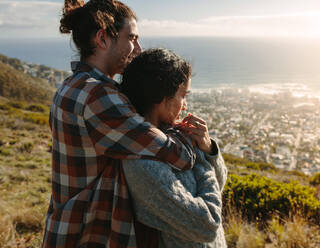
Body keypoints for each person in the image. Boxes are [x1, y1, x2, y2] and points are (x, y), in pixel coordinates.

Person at [42, 1, 196, 247]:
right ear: (102, 39)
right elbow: (177, 155)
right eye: (132, 38)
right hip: (91, 235)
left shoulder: (71, 86)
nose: (138, 48)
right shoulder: (98, 97)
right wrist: (191, 137)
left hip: (67, 227)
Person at [120, 48, 228, 247]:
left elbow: (218, 187)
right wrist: (201, 163)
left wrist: (207, 148)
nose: (185, 105)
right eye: (183, 95)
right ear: (160, 97)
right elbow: (208, 225)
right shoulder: (142, 163)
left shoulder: (174, 138)